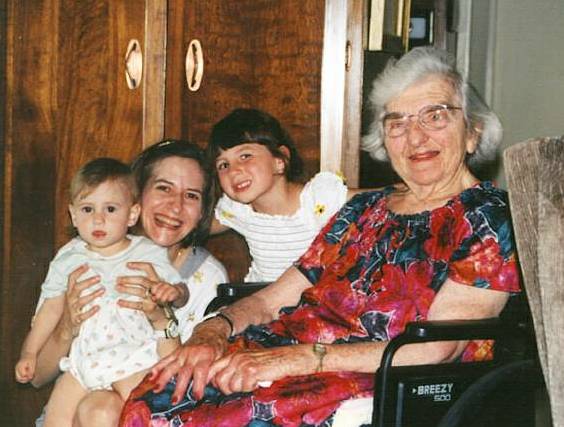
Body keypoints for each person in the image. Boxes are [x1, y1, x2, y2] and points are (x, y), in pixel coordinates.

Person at [120, 47, 521, 427]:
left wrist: (298, 359)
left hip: (372, 377)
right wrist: (213, 331)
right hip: (287, 355)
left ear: (473, 131)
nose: (415, 137)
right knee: (153, 398)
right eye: (397, 123)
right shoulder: (363, 210)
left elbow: (436, 349)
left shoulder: (487, 217)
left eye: (435, 116)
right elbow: (272, 299)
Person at [30, 141, 228, 427]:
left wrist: (162, 320)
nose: (175, 206)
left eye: (191, 195)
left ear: (202, 212)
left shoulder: (209, 278)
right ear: (136, 196)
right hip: (73, 410)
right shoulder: (82, 257)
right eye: (163, 188)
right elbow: (36, 376)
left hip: (150, 412)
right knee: (98, 408)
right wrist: (67, 326)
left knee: (103, 409)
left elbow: (180, 391)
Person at [209, 108, 365, 282]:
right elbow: (194, 225)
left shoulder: (317, 199)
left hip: (317, 296)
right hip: (261, 295)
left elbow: (380, 199)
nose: (233, 171)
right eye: (223, 165)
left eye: (245, 156)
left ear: (279, 161)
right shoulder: (237, 209)